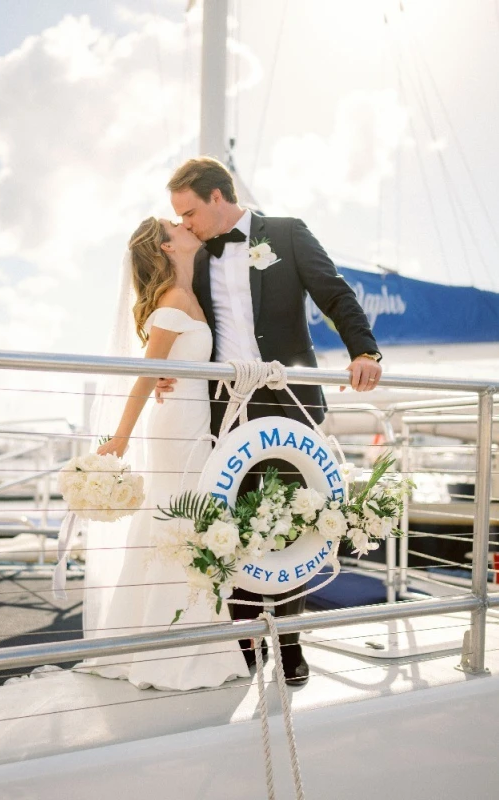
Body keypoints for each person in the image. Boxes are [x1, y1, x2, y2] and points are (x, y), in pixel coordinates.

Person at [156, 157, 382, 686]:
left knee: (294, 523)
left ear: (217, 197)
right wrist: (165, 370)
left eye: (189, 212)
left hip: (290, 401)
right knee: (232, 526)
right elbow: (172, 312)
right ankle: (245, 647)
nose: (185, 223)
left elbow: (335, 293)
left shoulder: (286, 233)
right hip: (225, 407)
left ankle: (291, 644)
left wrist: (364, 351)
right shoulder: (191, 253)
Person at [81, 215, 249, 691]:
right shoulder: (175, 301)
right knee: (181, 518)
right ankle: (171, 646)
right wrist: (121, 437)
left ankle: (177, 635)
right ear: (169, 248)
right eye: (175, 225)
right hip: (176, 422)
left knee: (185, 519)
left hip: (193, 418)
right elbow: (144, 374)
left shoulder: (191, 296)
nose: (184, 224)